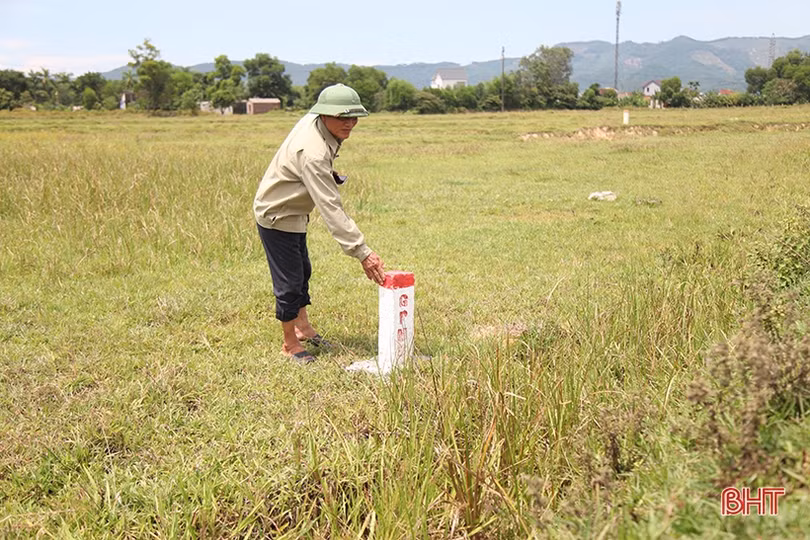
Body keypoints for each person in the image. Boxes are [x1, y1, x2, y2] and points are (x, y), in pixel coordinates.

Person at [254, 83, 385, 364]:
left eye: (354, 117)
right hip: (277, 215)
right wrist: (363, 252)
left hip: (295, 211)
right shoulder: (312, 153)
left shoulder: (316, 122)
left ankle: (303, 328)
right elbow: (331, 208)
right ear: (324, 115)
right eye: (342, 117)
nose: (349, 124)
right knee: (289, 283)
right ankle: (289, 344)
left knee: (303, 270)